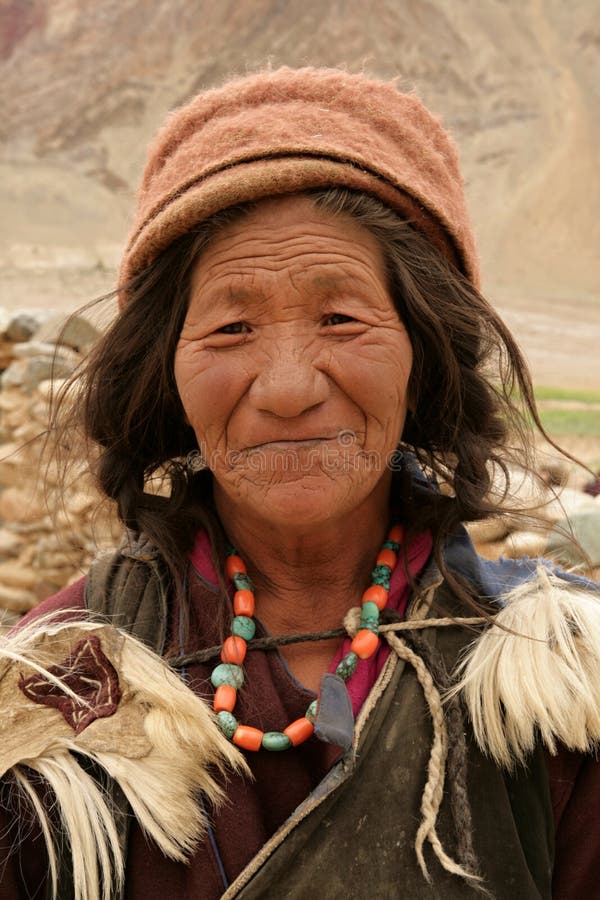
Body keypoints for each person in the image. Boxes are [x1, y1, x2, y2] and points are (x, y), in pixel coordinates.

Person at [0, 66, 598, 900]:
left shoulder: (563, 692)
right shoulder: (55, 689)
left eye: (341, 317)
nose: (287, 387)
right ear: (165, 374)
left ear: (424, 357)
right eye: (232, 325)